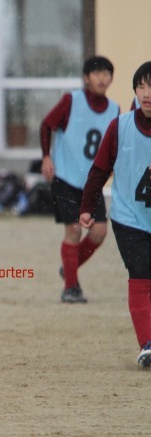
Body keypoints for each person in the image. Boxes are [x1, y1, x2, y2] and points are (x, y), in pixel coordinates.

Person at [80, 61, 151, 367]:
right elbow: (99, 170)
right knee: (140, 274)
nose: (147, 93)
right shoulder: (120, 126)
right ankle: (147, 344)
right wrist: (86, 206)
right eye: (142, 86)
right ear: (135, 90)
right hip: (129, 218)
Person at [39, 55, 119, 303]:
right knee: (73, 229)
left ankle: (69, 269)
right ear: (86, 78)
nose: (102, 78)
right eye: (96, 73)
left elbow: (115, 145)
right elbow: (46, 125)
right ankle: (71, 288)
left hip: (91, 183)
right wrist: (46, 157)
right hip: (66, 177)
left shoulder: (115, 110)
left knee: (99, 232)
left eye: (106, 73)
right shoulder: (71, 101)